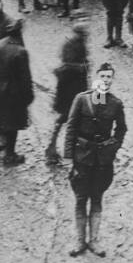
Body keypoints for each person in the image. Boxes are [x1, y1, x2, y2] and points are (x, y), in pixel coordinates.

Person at [65, 62, 127, 257]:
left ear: (112, 80)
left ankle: (94, 241)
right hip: (82, 158)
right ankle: (80, 240)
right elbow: (71, 128)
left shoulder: (115, 103)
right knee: (81, 198)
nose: (106, 80)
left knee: (97, 197)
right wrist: (69, 157)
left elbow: (121, 129)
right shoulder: (81, 100)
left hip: (102, 161)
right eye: (103, 76)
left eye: (109, 77)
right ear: (96, 78)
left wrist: (112, 148)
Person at [0, 18, 34, 167]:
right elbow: (25, 78)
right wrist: (28, 97)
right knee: (13, 125)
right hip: (13, 94)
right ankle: (9, 155)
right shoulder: (21, 51)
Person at [46, 18, 90, 165]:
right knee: (66, 117)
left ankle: (62, 149)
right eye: (83, 33)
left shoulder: (79, 43)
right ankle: (52, 148)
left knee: (73, 118)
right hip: (69, 87)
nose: (85, 35)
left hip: (77, 86)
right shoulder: (72, 44)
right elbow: (67, 65)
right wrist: (82, 67)